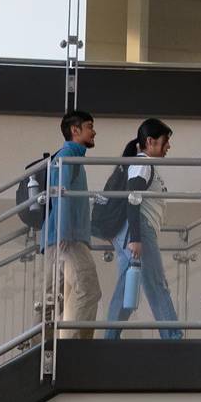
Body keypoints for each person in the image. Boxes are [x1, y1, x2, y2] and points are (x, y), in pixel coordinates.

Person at [103, 119, 182, 342]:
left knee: (126, 288)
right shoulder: (142, 164)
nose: (168, 146)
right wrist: (136, 238)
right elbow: (133, 199)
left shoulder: (143, 164)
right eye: (165, 141)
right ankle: (173, 338)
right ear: (150, 141)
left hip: (133, 230)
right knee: (156, 283)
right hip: (138, 230)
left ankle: (109, 339)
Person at [42, 110, 100, 340]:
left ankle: (42, 348)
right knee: (88, 289)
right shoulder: (68, 156)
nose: (94, 131)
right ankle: (72, 348)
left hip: (59, 237)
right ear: (75, 130)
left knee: (52, 296)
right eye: (89, 126)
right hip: (68, 238)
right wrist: (64, 233)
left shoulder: (69, 156)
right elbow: (61, 194)